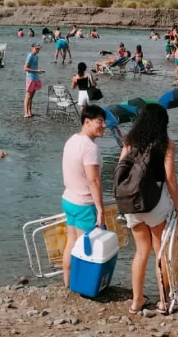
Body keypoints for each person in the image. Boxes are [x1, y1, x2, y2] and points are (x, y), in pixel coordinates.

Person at [119, 104, 178, 315]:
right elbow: (170, 178)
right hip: (155, 204)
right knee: (160, 253)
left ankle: (137, 301)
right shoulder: (166, 144)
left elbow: (121, 169)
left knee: (140, 252)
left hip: (131, 202)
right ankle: (164, 302)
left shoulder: (129, 142)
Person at [61, 105, 106, 288]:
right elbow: (93, 181)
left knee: (72, 243)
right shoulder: (90, 148)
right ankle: (83, 285)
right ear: (87, 122)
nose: (103, 125)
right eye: (99, 122)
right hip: (84, 203)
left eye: (104, 122)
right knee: (87, 250)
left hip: (68, 199)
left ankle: (68, 282)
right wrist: (101, 209)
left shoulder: (72, 140)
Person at [24, 43, 44, 118]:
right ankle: (25, 113)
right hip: (30, 78)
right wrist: (36, 71)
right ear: (32, 48)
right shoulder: (30, 56)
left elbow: (35, 68)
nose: (38, 50)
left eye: (39, 49)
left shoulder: (36, 56)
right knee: (28, 96)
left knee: (31, 97)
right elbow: (25, 68)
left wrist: (38, 72)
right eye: (36, 49)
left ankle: (30, 112)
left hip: (35, 78)